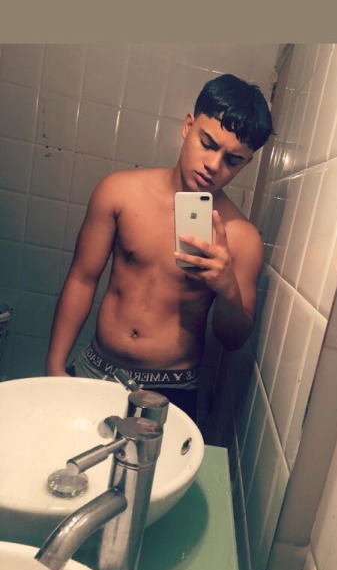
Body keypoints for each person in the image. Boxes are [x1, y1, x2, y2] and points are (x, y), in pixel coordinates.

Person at [45, 73, 273, 420]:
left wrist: (227, 288)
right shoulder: (119, 192)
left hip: (172, 389)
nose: (214, 165)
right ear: (188, 126)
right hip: (95, 368)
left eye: (233, 160)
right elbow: (82, 279)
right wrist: (54, 366)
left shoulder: (243, 239)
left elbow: (233, 340)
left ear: (247, 163)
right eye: (207, 143)